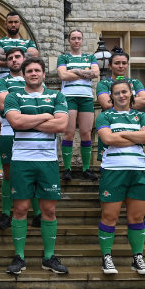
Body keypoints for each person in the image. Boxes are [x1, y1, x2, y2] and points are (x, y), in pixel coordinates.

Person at [3, 56, 70, 275]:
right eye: (29, 70)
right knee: (20, 209)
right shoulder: (14, 96)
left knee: (48, 210)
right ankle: (19, 257)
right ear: (23, 74)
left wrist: (28, 119)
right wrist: (44, 116)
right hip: (21, 160)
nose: (33, 73)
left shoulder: (56, 95)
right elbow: (15, 122)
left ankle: (49, 257)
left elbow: (61, 124)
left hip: (48, 161)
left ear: (43, 74)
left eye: (37, 70)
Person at [95, 80, 145, 275]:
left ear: (131, 94)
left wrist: (122, 134)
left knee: (137, 218)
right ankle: (107, 258)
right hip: (113, 171)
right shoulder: (104, 116)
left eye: (124, 92)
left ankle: (137, 258)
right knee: (109, 216)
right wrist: (136, 135)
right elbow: (108, 139)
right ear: (111, 96)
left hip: (138, 171)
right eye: (117, 93)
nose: (121, 96)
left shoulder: (141, 116)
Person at [0, 48, 43, 230]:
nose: (14, 60)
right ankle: (6, 213)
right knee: (7, 175)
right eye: (10, 58)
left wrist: (20, 111)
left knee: (34, 174)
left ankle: (37, 214)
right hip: (8, 132)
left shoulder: (34, 79)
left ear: (25, 58)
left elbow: (44, 106)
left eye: (17, 57)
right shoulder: (2, 82)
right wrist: (30, 109)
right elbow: (3, 104)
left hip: (33, 132)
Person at [0, 13, 37, 181]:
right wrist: (22, 57)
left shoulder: (28, 42)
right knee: (0, 127)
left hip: (24, 84)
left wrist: (8, 57)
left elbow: (35, 56)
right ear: (5, 24)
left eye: (16, 22)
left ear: (20, 23)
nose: (13, 24)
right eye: (10, 22)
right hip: (4, 87)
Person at [58, 30, 100, 181]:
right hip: (69, 97)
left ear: (82, 40)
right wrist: (84, 72)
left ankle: (86, 169)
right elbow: (63, 75)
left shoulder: (90, 57)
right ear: (69, 41)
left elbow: (95, 73)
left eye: (79, 38)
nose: (76, 41)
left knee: (86, 133)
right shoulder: (63, 57)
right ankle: (67, 169)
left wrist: (74, 71)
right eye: (73, 38)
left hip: (86, 98)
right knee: (68, 133)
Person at [96, 49, 145, 162]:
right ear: (110, 66)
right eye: (117, 63)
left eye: (124, 63)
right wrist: (138, 137)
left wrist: (117, 102)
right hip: (110, 123)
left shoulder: (135, 82)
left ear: (128, 65)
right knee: (108, 159)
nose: (121, 66)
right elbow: (105, 103)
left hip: (132, 122)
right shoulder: (103, 83)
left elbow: (144, 100)